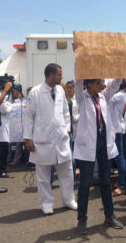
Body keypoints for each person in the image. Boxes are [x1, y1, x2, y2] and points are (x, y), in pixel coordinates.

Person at [24, 63, 77, 215]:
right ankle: (46, 203)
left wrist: (66, 129)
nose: (61, 77)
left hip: (61, 139)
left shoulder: (60, 89)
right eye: (59, 74)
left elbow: (66, 112)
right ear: (50, 75)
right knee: (43, 176)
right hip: (42, 140)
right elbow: (28, 116)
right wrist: (28, 138)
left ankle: (69, 200)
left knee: (67, 172)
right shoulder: (35, 92)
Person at [73, 76, 124, 233]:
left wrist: (121, 64)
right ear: (89, 84)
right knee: (85, 184)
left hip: (104, 145)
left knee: (106, 182)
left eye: (101, 82)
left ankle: (109, 216)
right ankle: (82, 219)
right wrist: (78, 57)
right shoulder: (81, 97)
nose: (101, 85)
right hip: (87, 145)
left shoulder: (103, 96)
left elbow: (116, 84)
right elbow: (77, 80)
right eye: (98, 82)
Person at [109, 78, 126, 196]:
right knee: (120, 156)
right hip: (118, 128)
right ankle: (121, 182)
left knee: (119, 157)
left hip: (116, 129)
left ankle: (121, 184)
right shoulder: (122, 95)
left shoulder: (117, 96)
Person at [8, 84, 26, 166]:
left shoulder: (25, 101)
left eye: (15, 92)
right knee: (11, 146)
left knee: (19, 146)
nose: (13, 94)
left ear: (19, 92)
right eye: (12, 92)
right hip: (12, 128)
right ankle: (9, 159)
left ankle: (17, 160)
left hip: (21, 128)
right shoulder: (11, 102)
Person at [0, 91, 12, 178]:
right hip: (1, 127)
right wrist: (10, 105)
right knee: (2, 150)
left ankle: (1, 169)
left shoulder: (1, 95)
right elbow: (4, 110)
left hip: (3, 126)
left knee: (3, 149)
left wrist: (8, 104)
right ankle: (0, 171)